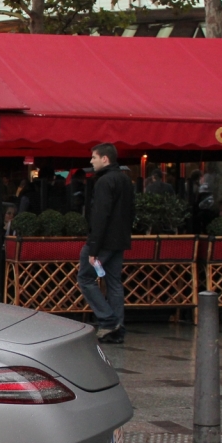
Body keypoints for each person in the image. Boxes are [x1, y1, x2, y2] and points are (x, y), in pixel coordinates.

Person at [78, 143, 136, 344]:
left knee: (85, 278)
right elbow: (131, 211)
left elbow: (100, 216)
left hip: (102, 241)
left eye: (94, 157)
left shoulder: (103, 182)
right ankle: (117, 328)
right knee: (113, 283)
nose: (91, 161)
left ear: (105, 159)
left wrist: (94, 247)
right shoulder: (125, 180)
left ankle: (108, 320)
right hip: (119, 240)